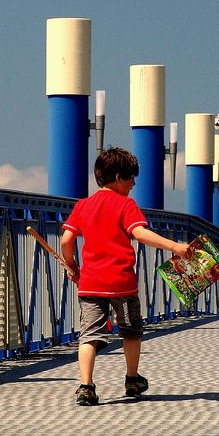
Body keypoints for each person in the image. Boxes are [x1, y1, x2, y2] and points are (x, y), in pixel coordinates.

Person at [60, 146, 192, 406]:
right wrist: (174, 246)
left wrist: (72, 265)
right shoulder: (125, 204)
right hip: (121, 282)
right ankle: (132, 378)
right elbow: (140, 234)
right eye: (131, 178)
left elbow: (66, 240)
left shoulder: (83, 205)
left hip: (91, 283)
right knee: (131, 332)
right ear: (119, 177)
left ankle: (86, 386)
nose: (133, 184)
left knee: (89, 335)